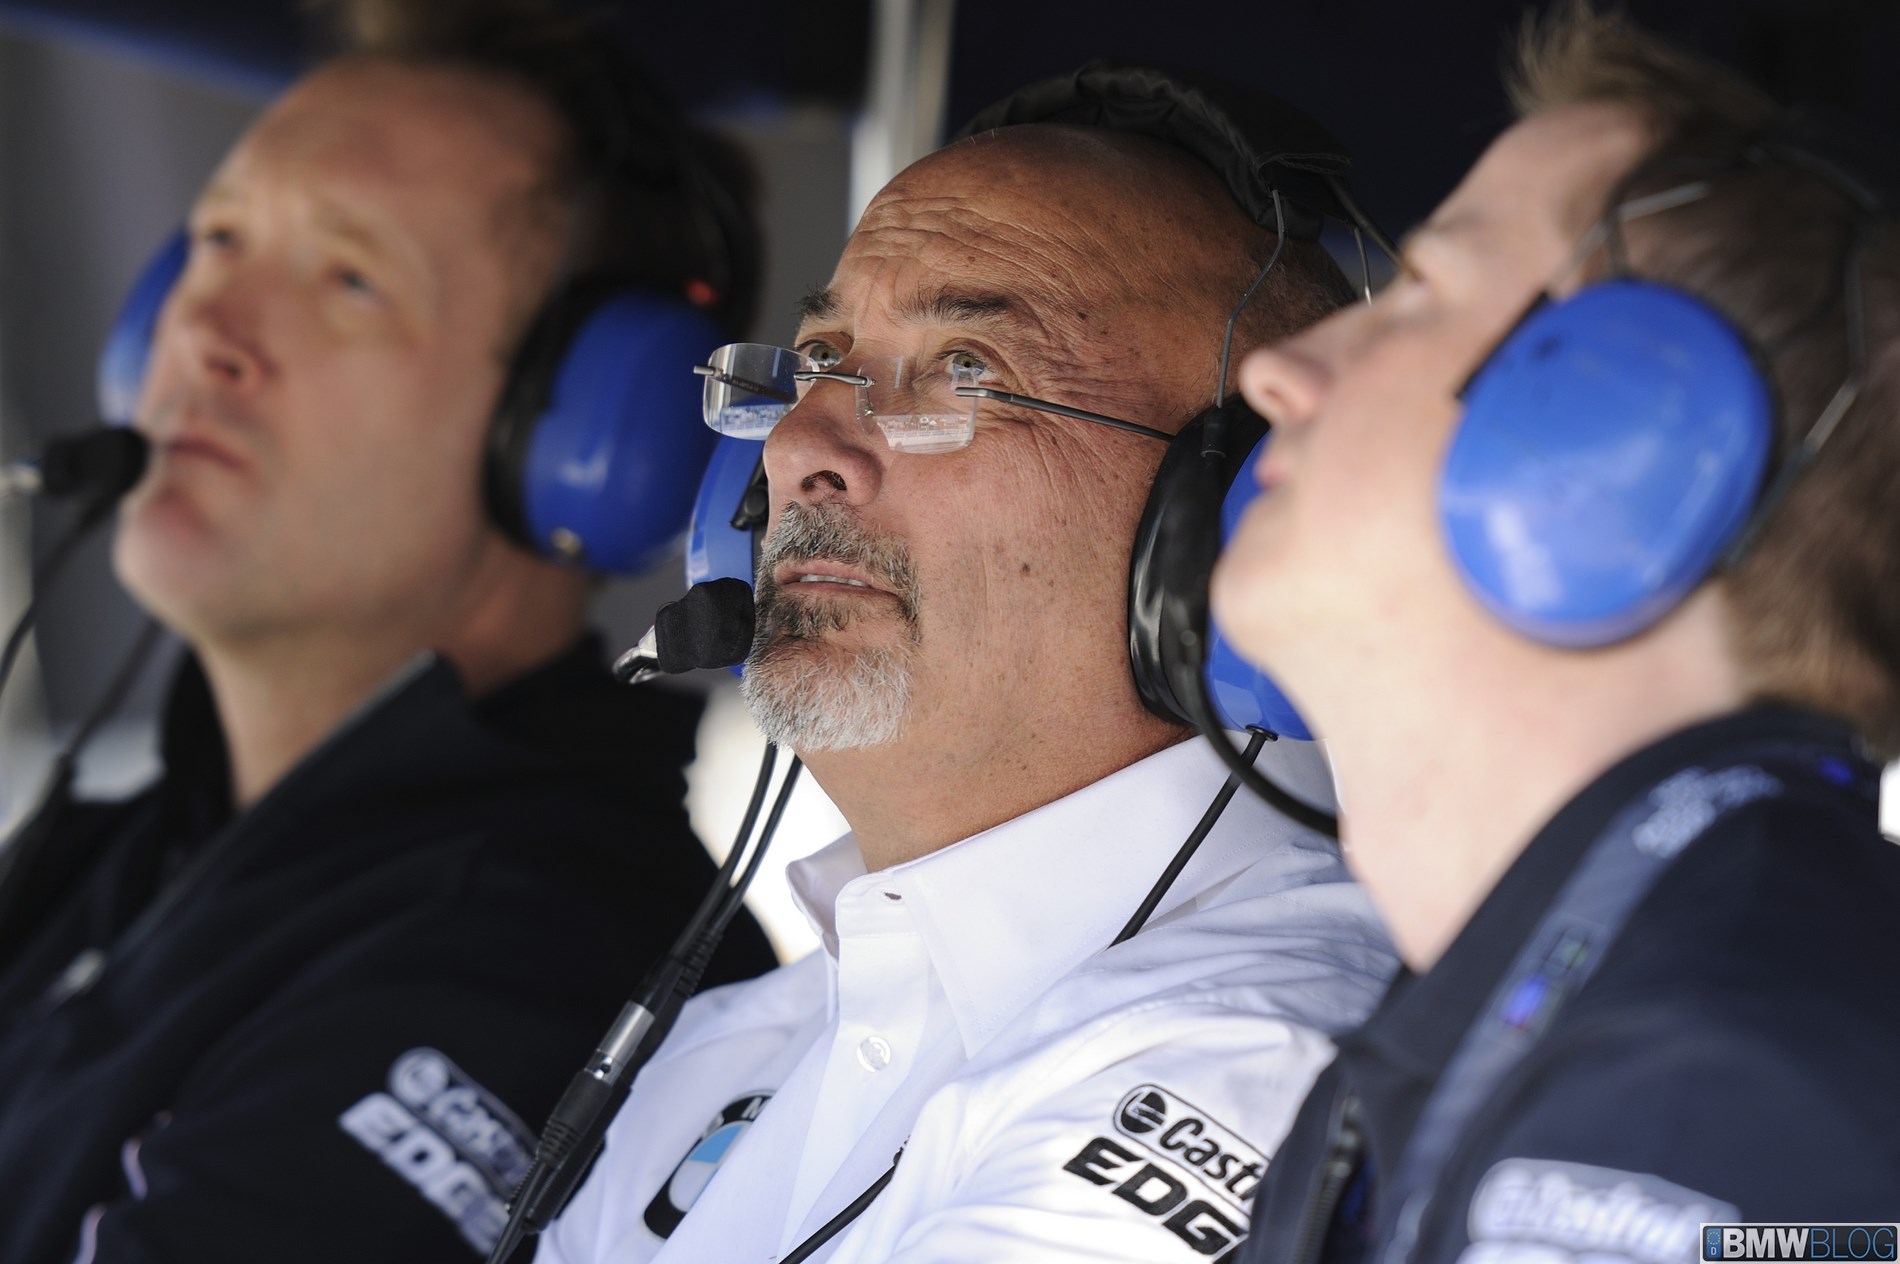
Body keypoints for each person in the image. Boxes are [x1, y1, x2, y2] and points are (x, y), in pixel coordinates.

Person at [538, 67, 1398, 1264]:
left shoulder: (1256, 1054)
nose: (799, 446)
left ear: (1226, 520)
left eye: (966, 369)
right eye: (819, 357)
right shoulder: (727, 1048)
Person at [0, 2, 776, 1260]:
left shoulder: (546, 965)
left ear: (584, 443)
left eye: (348, 279)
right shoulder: (124, 857)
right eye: (219, 239)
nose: (206, 330)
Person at [1214, 9, 1900, 1264]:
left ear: (1620, 432)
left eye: (1417, 294)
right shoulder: (1478, 1048)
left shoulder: (1720, 1091)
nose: (1280, 371)